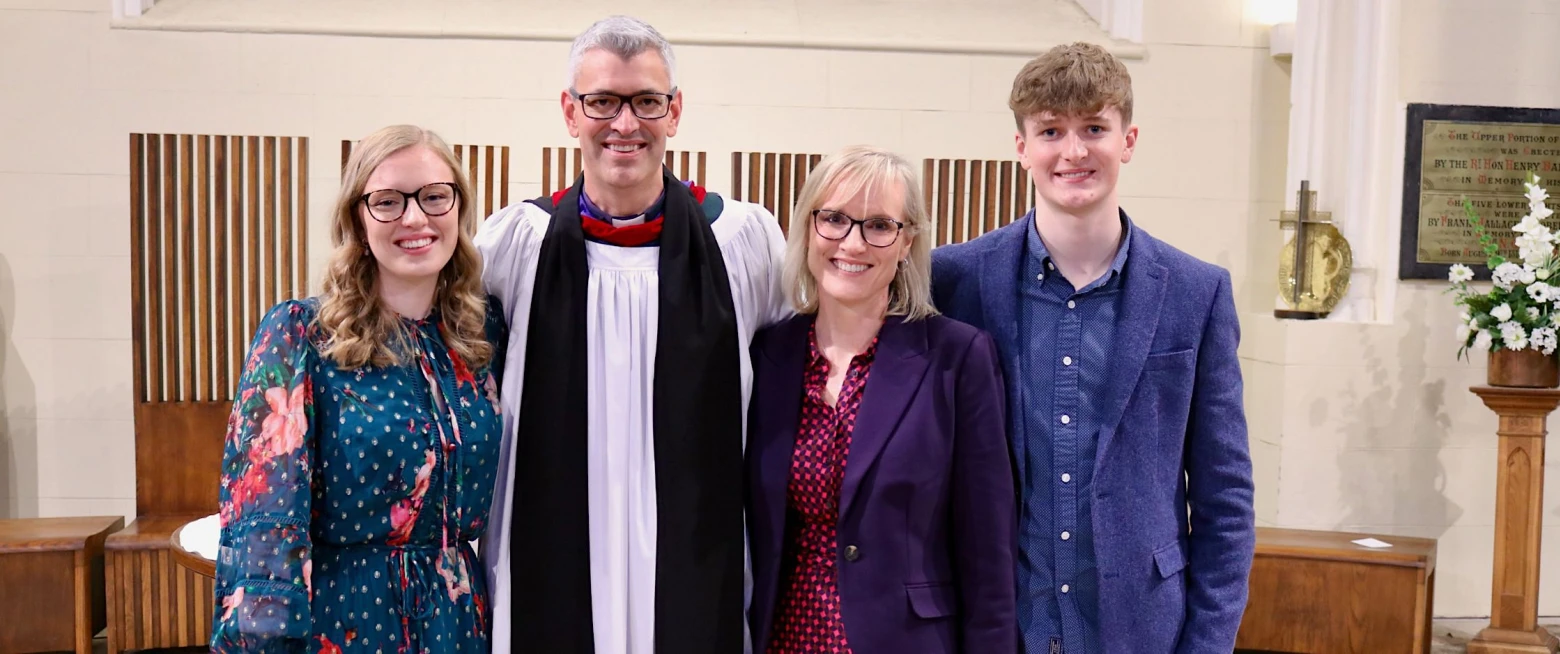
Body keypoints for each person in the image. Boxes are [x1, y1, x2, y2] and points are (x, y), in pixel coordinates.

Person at [475, 15, 790, 654]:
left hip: (697, 546)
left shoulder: (742, 241)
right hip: (549, 543)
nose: (625, 124)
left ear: (674, 112)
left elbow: (793, 382)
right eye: (602, 102)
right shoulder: (512, 244)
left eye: (646, 101)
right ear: (570, 112)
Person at [930, 42, 1255, 653]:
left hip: (1140, 629)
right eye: (1051, 130)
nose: (1073, 151)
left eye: (1094, 128)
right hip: (993, 627)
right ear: (1022, 147)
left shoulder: (1196, 293)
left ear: (1128, 140)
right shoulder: (952, 281)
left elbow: (1225, 498)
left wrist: (1208, 645)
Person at [210, 124, 509, 653]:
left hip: (458, 621)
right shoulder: (301, 333)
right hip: (344, 618)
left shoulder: (483, 336)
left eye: (434, 197)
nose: (415, 218)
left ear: (457, 207)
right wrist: (266, 633)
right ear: (358, 218)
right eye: (388, 201)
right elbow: (263, 510)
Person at [745, 146, 1017, 654]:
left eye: (878, 226)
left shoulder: (957, 359)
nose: (853, 242)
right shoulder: (768, 355)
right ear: (808, 228)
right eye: (834, 219)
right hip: (784, 638)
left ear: (905, 243)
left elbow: (988, 553)